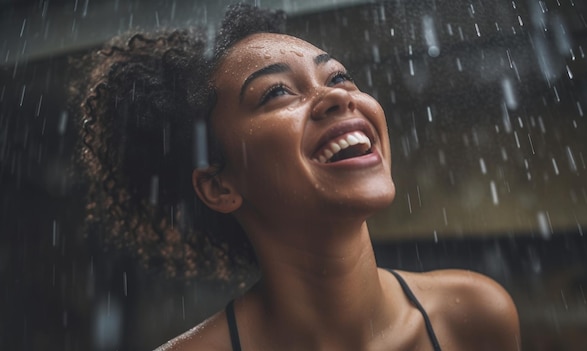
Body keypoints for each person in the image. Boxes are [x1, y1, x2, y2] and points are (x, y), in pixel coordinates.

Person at [73, 4, 520, 350]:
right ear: (219, 186)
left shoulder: (475, 316)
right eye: (277, 92)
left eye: (339, 76)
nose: (335, 97)